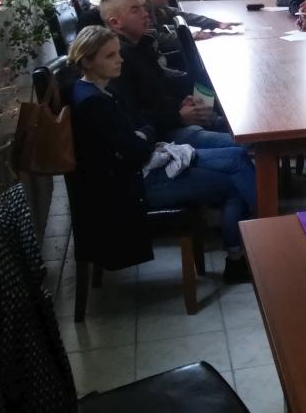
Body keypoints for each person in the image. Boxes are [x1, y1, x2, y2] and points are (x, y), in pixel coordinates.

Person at [67, 25, 257, 282]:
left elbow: (141, 127)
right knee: (236, 178)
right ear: (87, 61)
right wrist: (143, 136)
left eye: (118, 53)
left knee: (238, 158)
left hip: (147, 164)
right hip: (134, 186)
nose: (120, 59)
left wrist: (142, 135)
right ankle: (245, 253)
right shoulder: (93, 102)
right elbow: (134, 151)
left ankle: (249, 246)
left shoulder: (104, 89)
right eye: (110, 55)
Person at [100, 0, 236, 149]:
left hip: (172, 119)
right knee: (242, 145)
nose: (145, 14)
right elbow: (134, 118)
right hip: (160, 136)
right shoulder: (118, 60)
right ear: (116, 23)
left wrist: (182, 103)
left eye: (143, 8)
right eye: (135, 10)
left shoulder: (143, 45)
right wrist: (179, 116)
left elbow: (159, 92)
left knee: (236, 126)